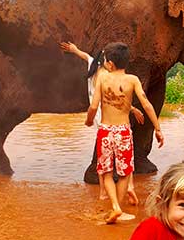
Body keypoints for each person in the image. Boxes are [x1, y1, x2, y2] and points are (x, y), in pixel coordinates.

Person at [86, 41, 164, 224]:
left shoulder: (102, 80)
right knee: (124, 173)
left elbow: (93, 106)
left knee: (105, 173)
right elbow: (146, 104)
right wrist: (158, 129)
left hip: (105, 132)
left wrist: (89, 120)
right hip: (123, 132)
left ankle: (115, 206)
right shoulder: (133, 80)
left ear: (110, 63)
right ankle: (118, 208)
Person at [60, 41, 143, 205]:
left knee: (103, 157)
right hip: (109, 113)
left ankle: (104, 192)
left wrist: (74, 49)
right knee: (125, 155)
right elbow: (116, 98)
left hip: (100, 113)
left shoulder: (95, 68)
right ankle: (130, 186)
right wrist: (132, 109)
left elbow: (85, 56)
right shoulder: (110, 74)